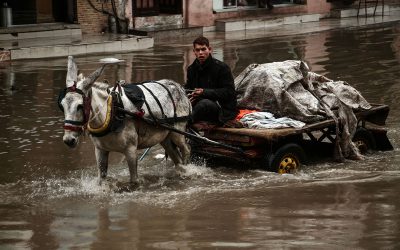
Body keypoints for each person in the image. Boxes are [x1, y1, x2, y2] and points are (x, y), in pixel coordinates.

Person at [185, 36, 239, 128]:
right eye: (197, 50)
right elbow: (188, 88)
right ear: (194, 52)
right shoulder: (191, 69)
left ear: (209, 49)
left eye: (203, 49)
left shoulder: (222, 68)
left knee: (204, 103)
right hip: (199, 105)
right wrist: (189, 96)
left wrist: (204, 92)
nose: (200, 53)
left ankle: (185, 122)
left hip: (222, 110)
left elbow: (229, 92)